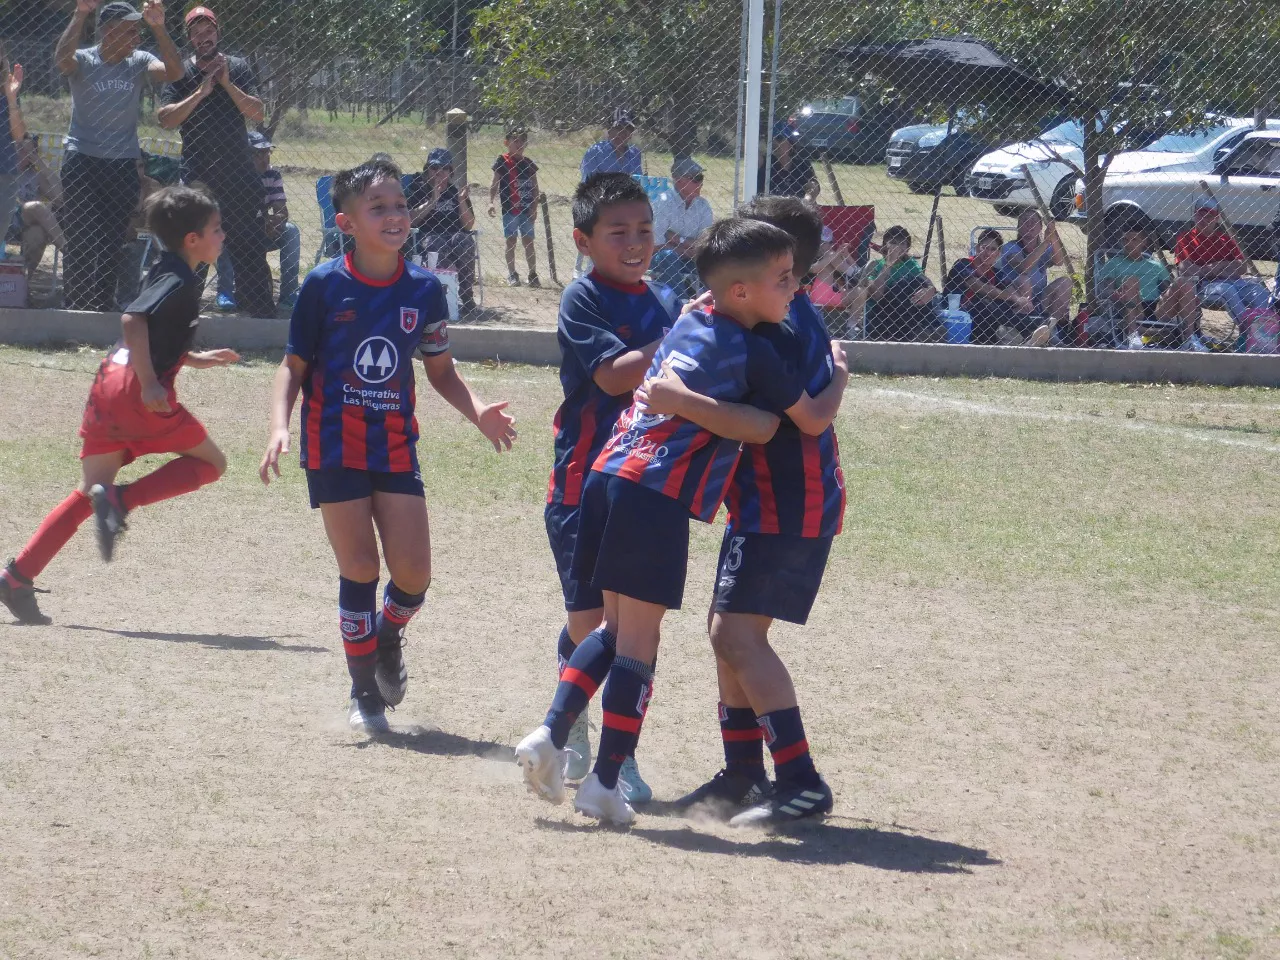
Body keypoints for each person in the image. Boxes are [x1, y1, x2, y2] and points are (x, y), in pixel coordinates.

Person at [515, 218, 842, 826]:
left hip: (605, 475)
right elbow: (773, 425)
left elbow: (667, 382)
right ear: (740, 291)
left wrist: (674, 398)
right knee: (639, 644)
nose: (797, 287)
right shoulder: (758, 347)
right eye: (785, 277)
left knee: (614, 631)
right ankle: (605, 780)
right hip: (652, 494)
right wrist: (838, 375)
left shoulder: (689, 317)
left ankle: (551, 735)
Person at [258, 158, 517, 733]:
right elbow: (292, 365)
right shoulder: (325, 284)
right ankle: (364, 694)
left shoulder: (424, 289)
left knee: (414, 575)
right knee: (359, 566)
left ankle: (388, 636)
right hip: (333, 446)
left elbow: (441, 371)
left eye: (400, 204)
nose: (395, 215)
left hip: (396, 447)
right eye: (379, 208)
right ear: (347, 222)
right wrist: (280, 424)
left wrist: (478, 412)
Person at [647, 197, 847, 827]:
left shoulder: (774, 331)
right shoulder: (784, 316)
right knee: (727, 636)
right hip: (765, 501)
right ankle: (742, 776)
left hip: (788, 502)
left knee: (735, 636)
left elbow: (803, 418)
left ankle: (801, 780)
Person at [0, 187, 236, 625]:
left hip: (109, 386)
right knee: (211, 465)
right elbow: (133, 319)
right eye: (216, 229)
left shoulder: (168, 267)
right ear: (192, 239)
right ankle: (122, 500)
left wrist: (197, 359)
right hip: (137, 394)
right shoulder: (180, 279)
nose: (223, 235)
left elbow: (156, 334)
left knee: (87, 492)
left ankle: (16, 576)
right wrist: (150, 382)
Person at [539, 172, 678, 803]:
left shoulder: (670, 301)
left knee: (634, 629)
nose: (634, 242)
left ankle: (621, 760)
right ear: (584, 240)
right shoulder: (582, 298)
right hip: (581, 487)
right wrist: (678, 339)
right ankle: (574, 733)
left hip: (645, 487)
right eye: (617, 231)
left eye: (644, 230)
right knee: (588, 618)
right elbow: (618, 377)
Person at [54, 0, 183, 311]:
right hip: (82, 160)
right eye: (130, 31)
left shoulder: (139, 61)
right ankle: (77, 304)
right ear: (109, 32)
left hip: (122, 164)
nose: (137, 38)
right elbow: (62, 61)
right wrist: (80, 13)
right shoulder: (84, 60)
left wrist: (160, 28)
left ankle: (101, 305)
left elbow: (176, 72)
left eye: (139, 32)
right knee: (82, 237)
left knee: (113, 240)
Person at [157, 5, 274, 318]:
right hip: (197, 176)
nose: (203, 36)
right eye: (196, 32)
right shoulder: (180, 72)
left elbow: (259, 112)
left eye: (208, 30)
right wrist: (200, 91)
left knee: (248, 247)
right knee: (191, 246)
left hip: (238, 175)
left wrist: (225, 83)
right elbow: (165, 119)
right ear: (190, 38)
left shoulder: (237, 66)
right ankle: (182, 315)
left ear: (217, 32)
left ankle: (259, 316)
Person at [214, 131, 301, 309]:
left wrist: (274, 221)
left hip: (263, 229)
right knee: (222, 232)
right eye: (259, 153)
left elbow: (282, 211)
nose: (265, 158)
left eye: (267, 152)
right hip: (236, 230)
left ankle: (288, 294)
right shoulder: (232, 175)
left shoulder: (272, 176)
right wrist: (260, 222)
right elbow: (229, 215)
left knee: (291, 231)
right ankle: (225, 292)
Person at [1173, 197, 1269, 350]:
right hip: (1203, 286)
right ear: (1194, 216)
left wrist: (1217, 265)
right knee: (1226, 290)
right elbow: (1186, 269)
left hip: (1234, 283)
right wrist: (1220, 268)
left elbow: (1241, 267)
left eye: (1209, 216)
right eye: (1200, 214)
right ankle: (1255, 335)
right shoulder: (1186, 238)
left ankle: (1268, 334)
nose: (1204, 219)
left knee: (1259, 292)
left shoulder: (1225, 239)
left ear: (1217, 218)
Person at [3, 65, 65, 278]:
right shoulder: (5, 168)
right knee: (38, 207)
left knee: (38, 234)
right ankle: (72, 254)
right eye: (21, 148)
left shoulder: (35, 175)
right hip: (6, 217)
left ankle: (22, 286)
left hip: (21, 224)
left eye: (29, 150)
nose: (24, 154)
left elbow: (60, 197)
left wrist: (37, 159)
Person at [1097, 223, 1199, 349]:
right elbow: (1106, 290)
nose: (1129, 244)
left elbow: (1167, 290)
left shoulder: (1155, 266)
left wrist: (1182, 296)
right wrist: (1116, 295)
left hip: (1157, 307)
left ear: (1143, 242)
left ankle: (1190, 339)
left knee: (1183, 282)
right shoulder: (1113, 263)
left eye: (1134, 239)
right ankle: (1133, 335)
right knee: (1131, 280)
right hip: (1131, 305)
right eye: (1125, 239)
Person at [408, 147, 477, 316]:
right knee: (436, 243)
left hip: (454, 237)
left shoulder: (455, 192)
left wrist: (461, 200)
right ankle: (440, 297)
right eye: (434, 168)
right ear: (427, 169)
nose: (439, 172)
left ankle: (467, 297)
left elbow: (468, 225)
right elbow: (410, 220)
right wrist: (433, 200)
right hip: (427, 237)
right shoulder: (417, 190)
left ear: (450, 171)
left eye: (444, 168)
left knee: (465, 240)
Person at [944, 228, 1040, 345]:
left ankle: (1029, 332)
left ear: (998, 253)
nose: (988, 253)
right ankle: (1032, 328)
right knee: (984, 302)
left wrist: (1021, 301)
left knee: (1004, 301)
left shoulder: (995, 273)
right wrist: (1015, 298)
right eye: (984, 247)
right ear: (977, 248)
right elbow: (980, 287)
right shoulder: (963, 264)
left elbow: (1009, 289)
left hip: (987, 321)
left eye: (993, 249)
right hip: (961, 315)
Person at [994, 209, 1066, 346]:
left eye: (1034, 222)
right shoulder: (1011, 247)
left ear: (1040, 227)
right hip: (1017, 299)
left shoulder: (1043, 247)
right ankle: (1024, 334)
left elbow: (1059, 261)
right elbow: (1024, 267)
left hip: (1040, 300)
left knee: (1065, 282)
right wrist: (1046, 243)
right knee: (1024, 280)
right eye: (1025, 221)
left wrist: (1053, 236)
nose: (1029, 225)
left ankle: (1051, 331)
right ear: (1019, 227)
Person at [650, 156, 714, 301]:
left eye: (701, 177)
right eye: (696, 178)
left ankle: (711, 306)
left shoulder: (703, 206)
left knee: (710, 261)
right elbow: (655, 246)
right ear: (679, 180)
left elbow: (705, 245)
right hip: (660, 257)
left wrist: (677, 239)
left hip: (689, 257)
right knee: (669, 257)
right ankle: (680, 304)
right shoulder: (663, 203)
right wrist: (689, 250)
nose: (700, 182)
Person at [863, 226, 940, 341]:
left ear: (907, 248)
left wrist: (930, 289)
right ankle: (925, 329)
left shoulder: (910, 264)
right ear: (885, 245)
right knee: (903, 285)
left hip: (905, 314)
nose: (898, 247)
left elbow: (925, 281)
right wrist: (888, 264)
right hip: (881, 316)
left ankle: (930, 329)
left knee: (919, 284)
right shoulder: (875, 265)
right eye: (893, 243)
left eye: (902, 244)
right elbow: (877, 296)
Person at [487, 124, 541, 288]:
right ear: (506, 142)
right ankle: (512, 273)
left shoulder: (529, 164)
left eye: (522, 141)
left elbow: (535, 188)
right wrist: (491, 202)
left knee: (528, 241)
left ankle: (532, 274)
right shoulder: (502, 161)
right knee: (511, 241)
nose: (519, 144)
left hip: (526, 210)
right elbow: (494, 184)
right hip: (510, 209)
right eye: (515, 141)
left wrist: (534, 207)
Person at [757, 123, 820, 201]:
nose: (773, 142)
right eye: (769, 139)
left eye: (779, 138)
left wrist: (806, 201)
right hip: (768, 208)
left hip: (795, 209)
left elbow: (813, 187)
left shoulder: (801, 164)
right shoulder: (763, 162)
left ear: (791, 144)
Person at [580, 108, 643, 180]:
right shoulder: (594, 152)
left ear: (631, 135)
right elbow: (587, 184)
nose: (622, 133)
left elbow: (639, 181)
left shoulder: (635, 153)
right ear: (609, 131)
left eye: (627, 129)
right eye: (618, 128)